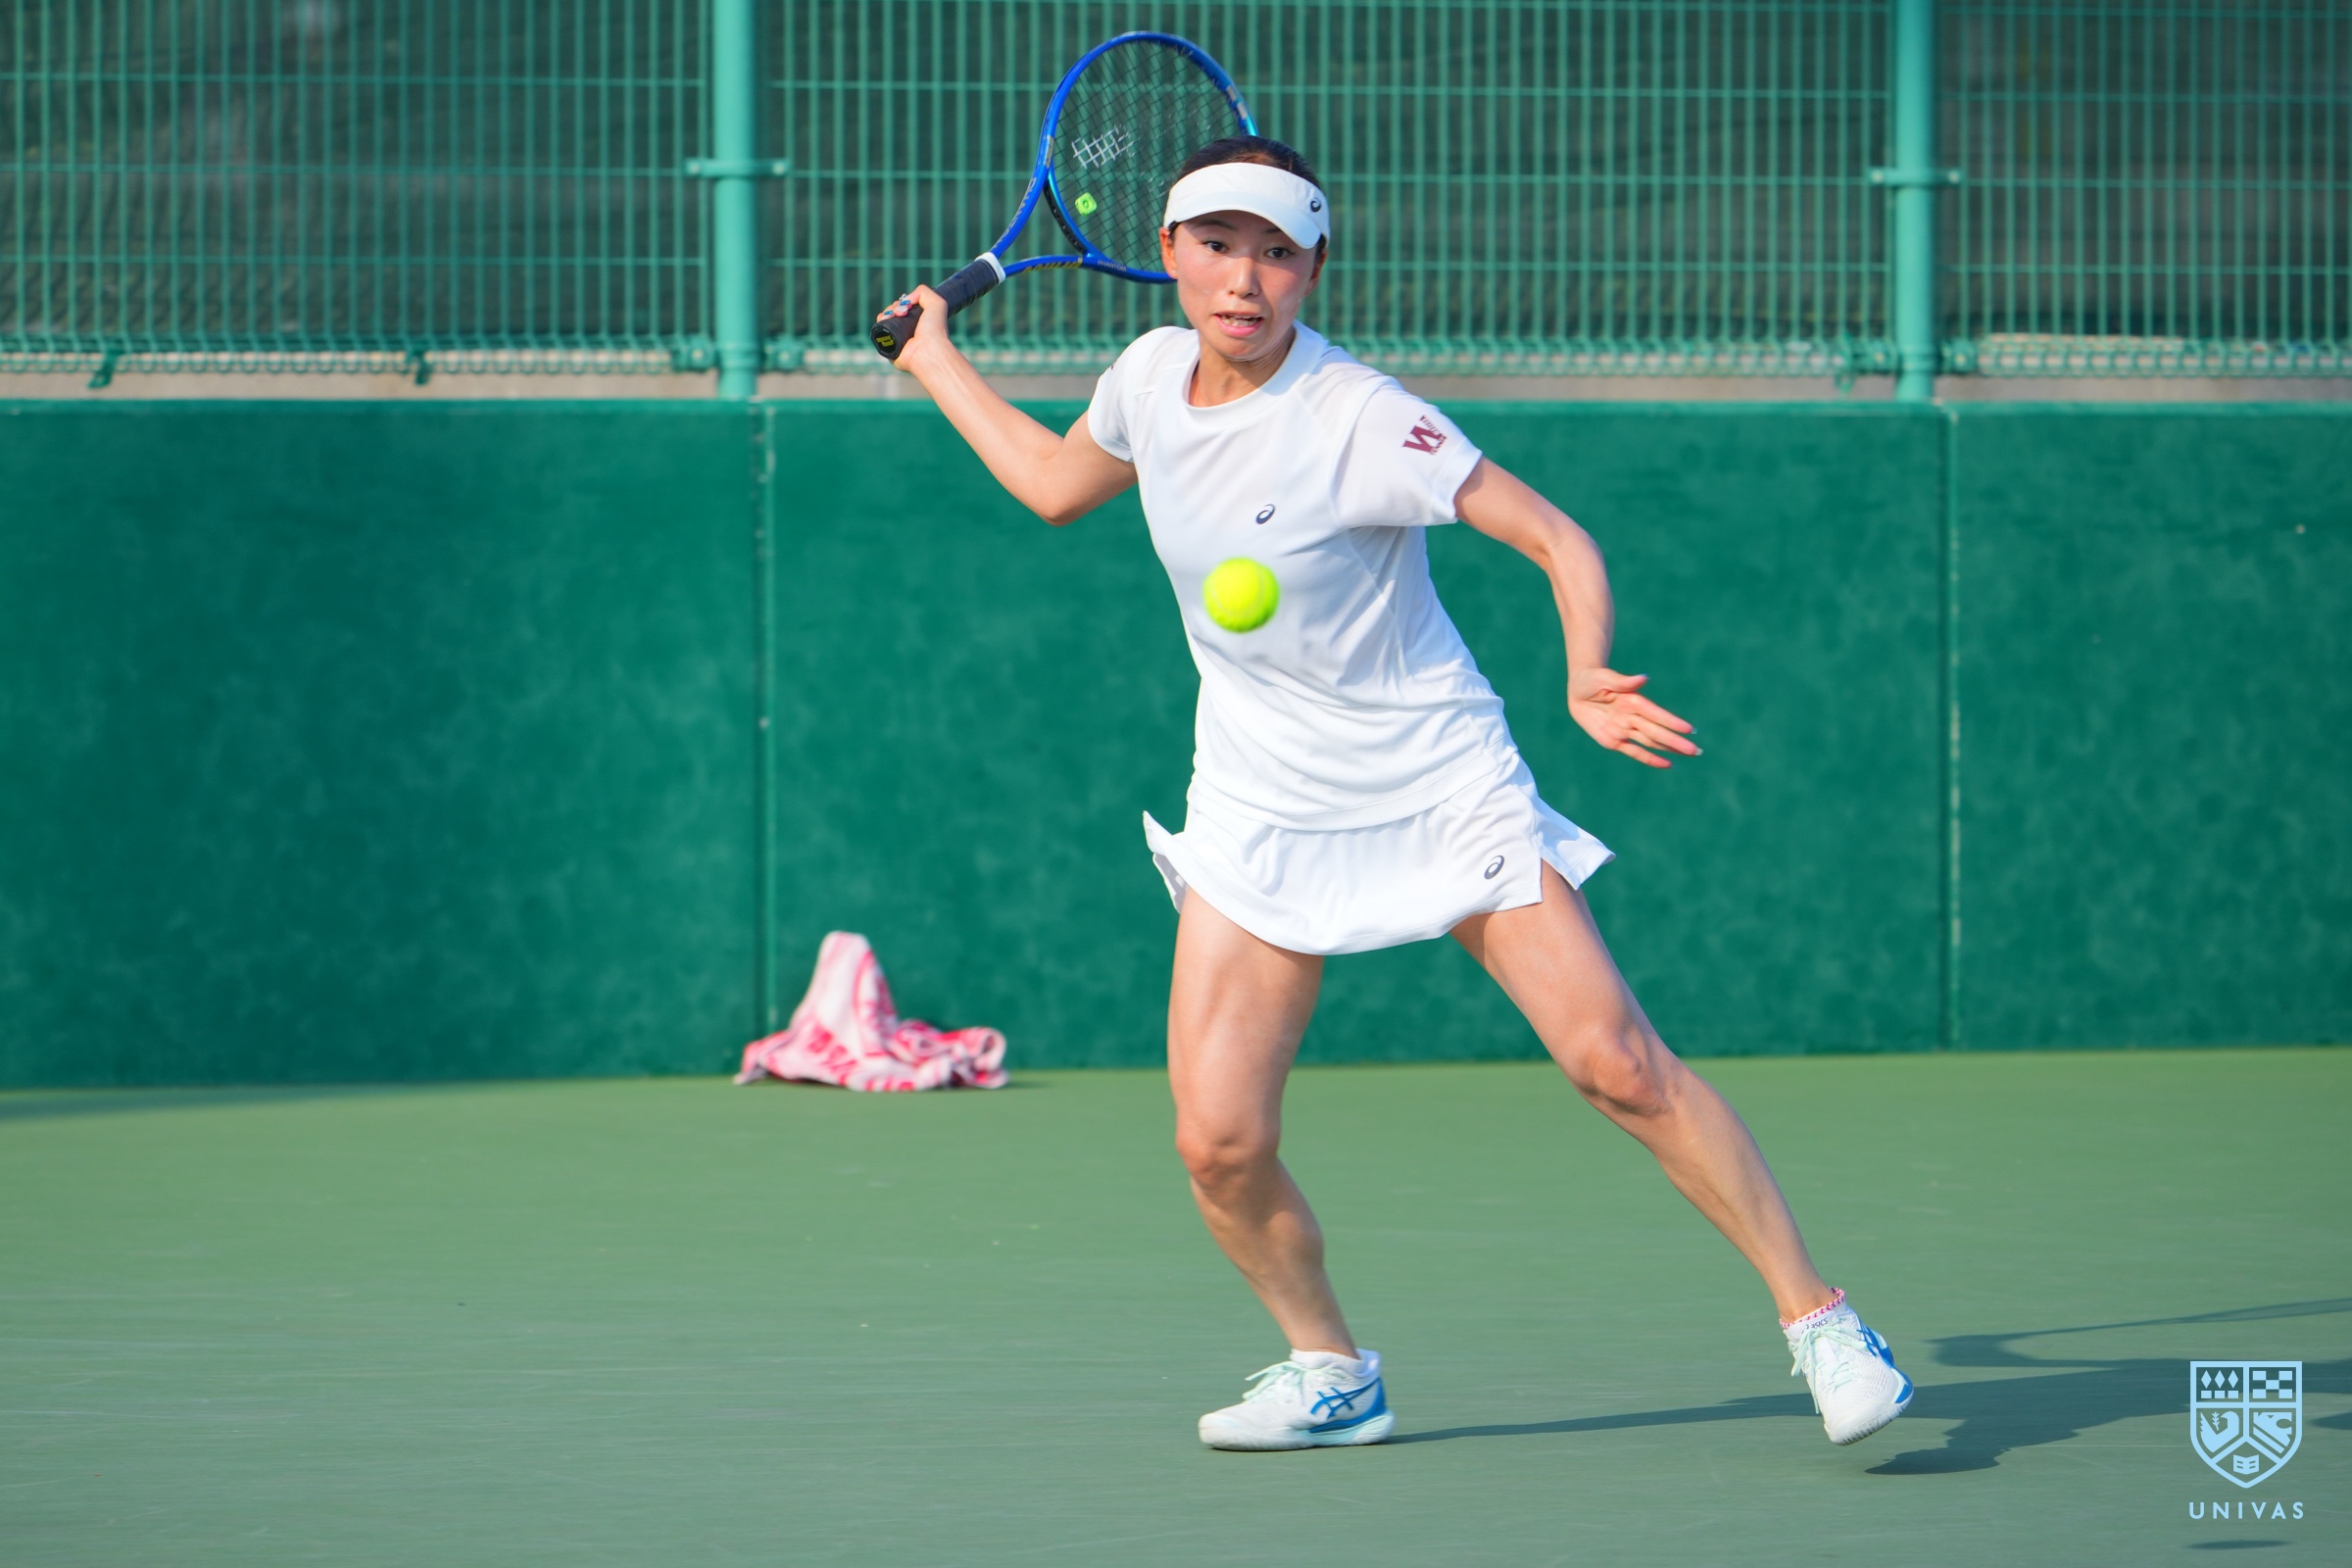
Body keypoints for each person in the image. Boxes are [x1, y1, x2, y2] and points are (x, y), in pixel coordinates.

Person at [876, 136, 1911, 1452]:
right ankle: (1331, 1371)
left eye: (1278, 253)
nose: (1245, 280)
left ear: (1314, 268)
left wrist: (1584, 669)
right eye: (1219, 246)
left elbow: (1555, 536)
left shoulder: (1358, 416)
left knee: (1616, 1064)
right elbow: (1053, 485)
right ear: (1171, 249)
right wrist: (934, 358)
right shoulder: (1144, 378)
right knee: (1218, 1144)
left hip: (1435, 780)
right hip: (1259, 802)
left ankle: (1821, 1321)